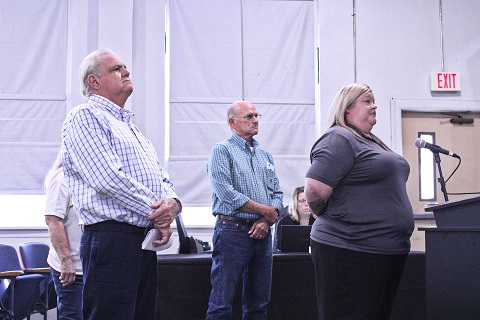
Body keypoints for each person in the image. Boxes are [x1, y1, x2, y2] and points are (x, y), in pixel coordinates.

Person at [61, 48, 182, 320]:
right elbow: (106, 179)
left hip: (142, 238)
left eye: (125, 67)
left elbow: (160, 177)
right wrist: (158, 213)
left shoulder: (132, 129)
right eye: (116, 69)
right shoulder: (84, 117)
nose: (126, 71)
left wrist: (173, 204)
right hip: (111, 238)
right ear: (94, 81)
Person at [305, 83, 414, 320]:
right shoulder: (339, 136)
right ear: (347, 108)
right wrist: (334, 217)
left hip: (385, 250)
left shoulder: (371, 141)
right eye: (367, 100)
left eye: (374, 100)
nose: (374, 105)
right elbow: (314, 190)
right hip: (350, 249)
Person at [206, 101, 283, 319]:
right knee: (221, 303)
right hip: (233, 231)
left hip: (262, 233)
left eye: (257, 116)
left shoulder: (265, 156)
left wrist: (265, 220)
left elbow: (278, 194)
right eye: (248, 116)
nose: (255, 120)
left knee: (258, 304)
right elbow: (225, 192)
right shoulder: (222, 151)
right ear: (232, 122)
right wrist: (265, 212)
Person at [44, 149, 83, 320]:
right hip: (72, 269)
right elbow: (53, 221)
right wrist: (66, 262)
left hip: (90, 266)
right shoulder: (62, 179)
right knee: (72, 315)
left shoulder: (90, 180)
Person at [274, 186, 315, 252]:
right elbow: (280, 245)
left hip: (312, 259)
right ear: (295, 203)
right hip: (291, 258)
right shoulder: (284, 222)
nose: (307, 204)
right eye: (303, 201)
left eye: (309, 200)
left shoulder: (318, 222)